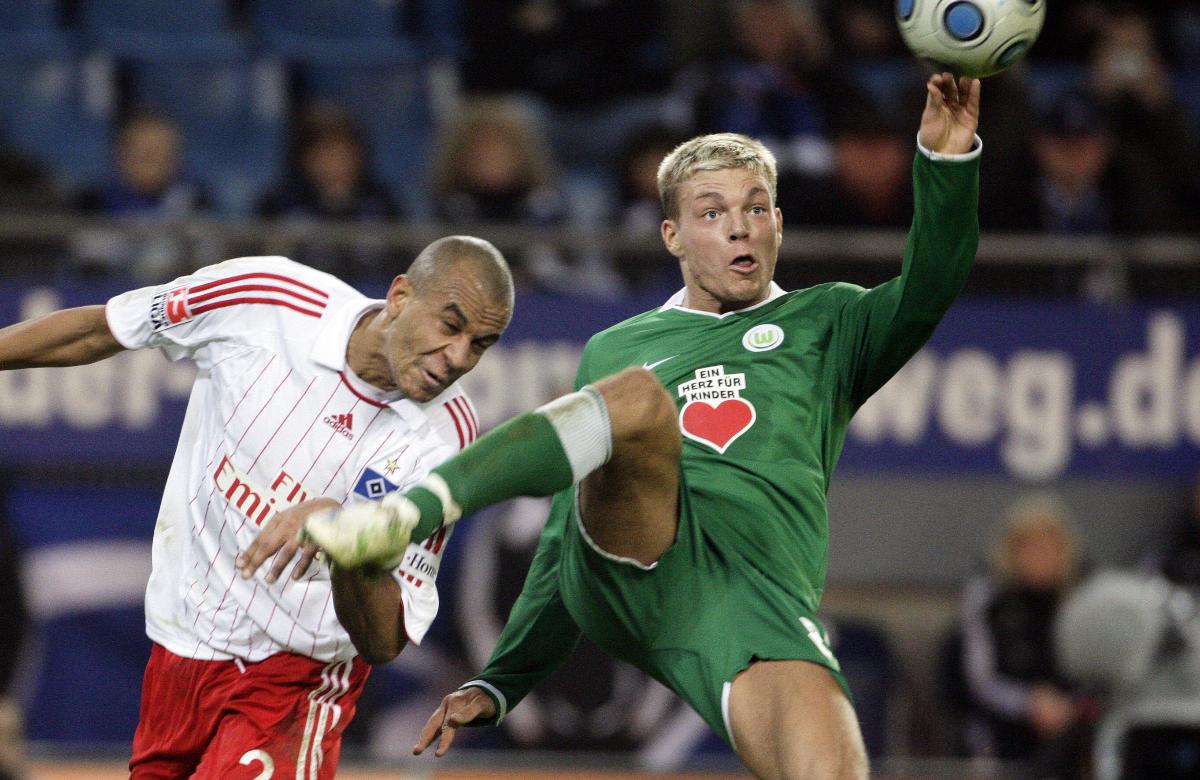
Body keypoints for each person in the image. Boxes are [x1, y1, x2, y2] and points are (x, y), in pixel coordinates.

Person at [254, 73, 980, 779]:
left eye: (757, 209)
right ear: (671, 234)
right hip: (630, 565)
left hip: (750, 605)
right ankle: (400, 518)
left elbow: (931, 284)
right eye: (712, 212)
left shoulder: (829, 321)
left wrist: (945, 161)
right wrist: (511, 673)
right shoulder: (622, 347)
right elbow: (565, 525)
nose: (740, 228)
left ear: (779, 224)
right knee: (636, 402)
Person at [0, 236, 514, 778]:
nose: (458, 357)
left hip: (298, 680)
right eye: (450, 326)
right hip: (181, 648)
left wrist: (347, 538)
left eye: (480, 344)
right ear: (401, 296)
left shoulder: (446, 438)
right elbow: (104, 327)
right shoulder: (264, 299)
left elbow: (383, 641)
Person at [958, 494, 1093, 778]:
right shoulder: (988, 597)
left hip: (1072, 717)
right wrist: (1027, 703)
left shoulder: (1084, 597)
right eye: (1028, 547)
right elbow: (980, 679)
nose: (1038, 556)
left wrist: (1067, 707)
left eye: (1048, 547)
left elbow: (1101, 673)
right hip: (1004, 718)